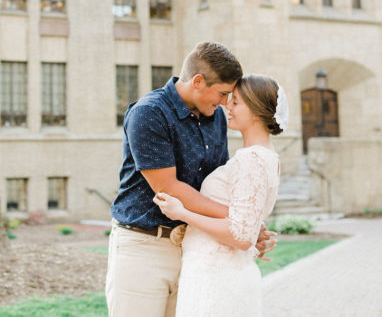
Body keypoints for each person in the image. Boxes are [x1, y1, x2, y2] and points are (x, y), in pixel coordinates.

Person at [105, 42, 276, 316]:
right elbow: (168, 188)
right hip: (144, 247)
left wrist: (244, 224)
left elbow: (216, 188)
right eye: (222, 93)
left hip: (196, 251)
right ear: (198, 81)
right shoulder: (149, 113)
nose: (224, 102)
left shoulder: (215, 117)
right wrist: (242, 222)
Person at [154, 74, 286, 316]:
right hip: (218, 274)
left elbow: (241, 234)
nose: (227, 106)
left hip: (217, 279)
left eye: (236, 102)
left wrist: (182, 213)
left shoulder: (253, 160)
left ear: (256, 112)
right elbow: (245, 223)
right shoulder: (264, 156)